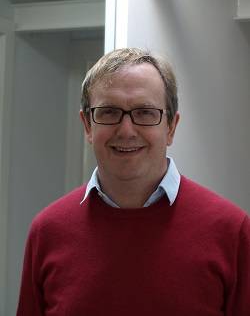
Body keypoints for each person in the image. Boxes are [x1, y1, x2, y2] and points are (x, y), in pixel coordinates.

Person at [17, 48, 250, 316]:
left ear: (171, 127)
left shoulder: (231, 232)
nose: (126, 131)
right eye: (108, 112)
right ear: (87, 126)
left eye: (145, 113)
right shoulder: (47, 232)